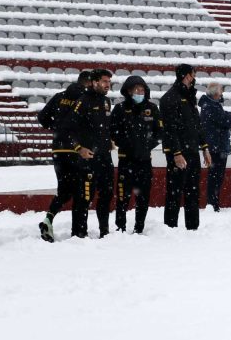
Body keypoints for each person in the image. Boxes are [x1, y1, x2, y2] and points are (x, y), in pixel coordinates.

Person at [37, 70, 92, 242]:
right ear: (89, 83)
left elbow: (42, 117)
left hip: (58, 150)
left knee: (64, 189)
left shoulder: (59, 96)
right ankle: (79, 232)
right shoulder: (85, 99)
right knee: (81, 192)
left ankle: (49, 218)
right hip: (77, 149)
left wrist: (56, 127)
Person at [160, 63, 212, 230]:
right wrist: (176, 152)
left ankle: (192, 227)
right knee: (174, 192)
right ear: (187, 76)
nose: (194, 78)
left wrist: (205, 147)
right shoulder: (170, 97)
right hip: (178, 153)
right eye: (193, 74)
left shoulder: (190, 97)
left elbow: (197, 124)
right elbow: (169, 129)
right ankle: (170, 228)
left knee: (193, 192)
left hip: (192, 152)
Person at [66, 68, 115, 238]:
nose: (107, 85)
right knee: (85, 196)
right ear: (94, 82)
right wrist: (79, 148)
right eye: (104, 81)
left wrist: (109, 141)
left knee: (107, 194)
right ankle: (79, 233)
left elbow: (105, 127)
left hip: (104, 156)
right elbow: (68, 129)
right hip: (88, 158)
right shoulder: (83, 101)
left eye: (109, 82)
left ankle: (104, 231)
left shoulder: (107, 102)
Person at [111, 75, 162, 233]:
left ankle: (139, 228)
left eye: (142, 89)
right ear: (128, 91)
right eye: (136, 89)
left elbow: (159, 132)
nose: (139, 92)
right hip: (126, 161)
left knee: (143, 198)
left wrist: (147, 145)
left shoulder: (152, 108)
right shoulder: (119, 109)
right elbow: (113, 131)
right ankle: (120, 228)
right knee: (122, 197)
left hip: (145, 161)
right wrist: (126, 143)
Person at [199, 82, 231, 212]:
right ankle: (212, 204)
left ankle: (214, 202)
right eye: (220, 92)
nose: (222, 94)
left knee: (216, 177)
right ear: (215, 94)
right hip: (216, 147)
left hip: (217, 146)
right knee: (215, 177)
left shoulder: (212, 105)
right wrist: (230, 116)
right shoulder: (210, 106)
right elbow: (225, 121)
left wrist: (227, 116)